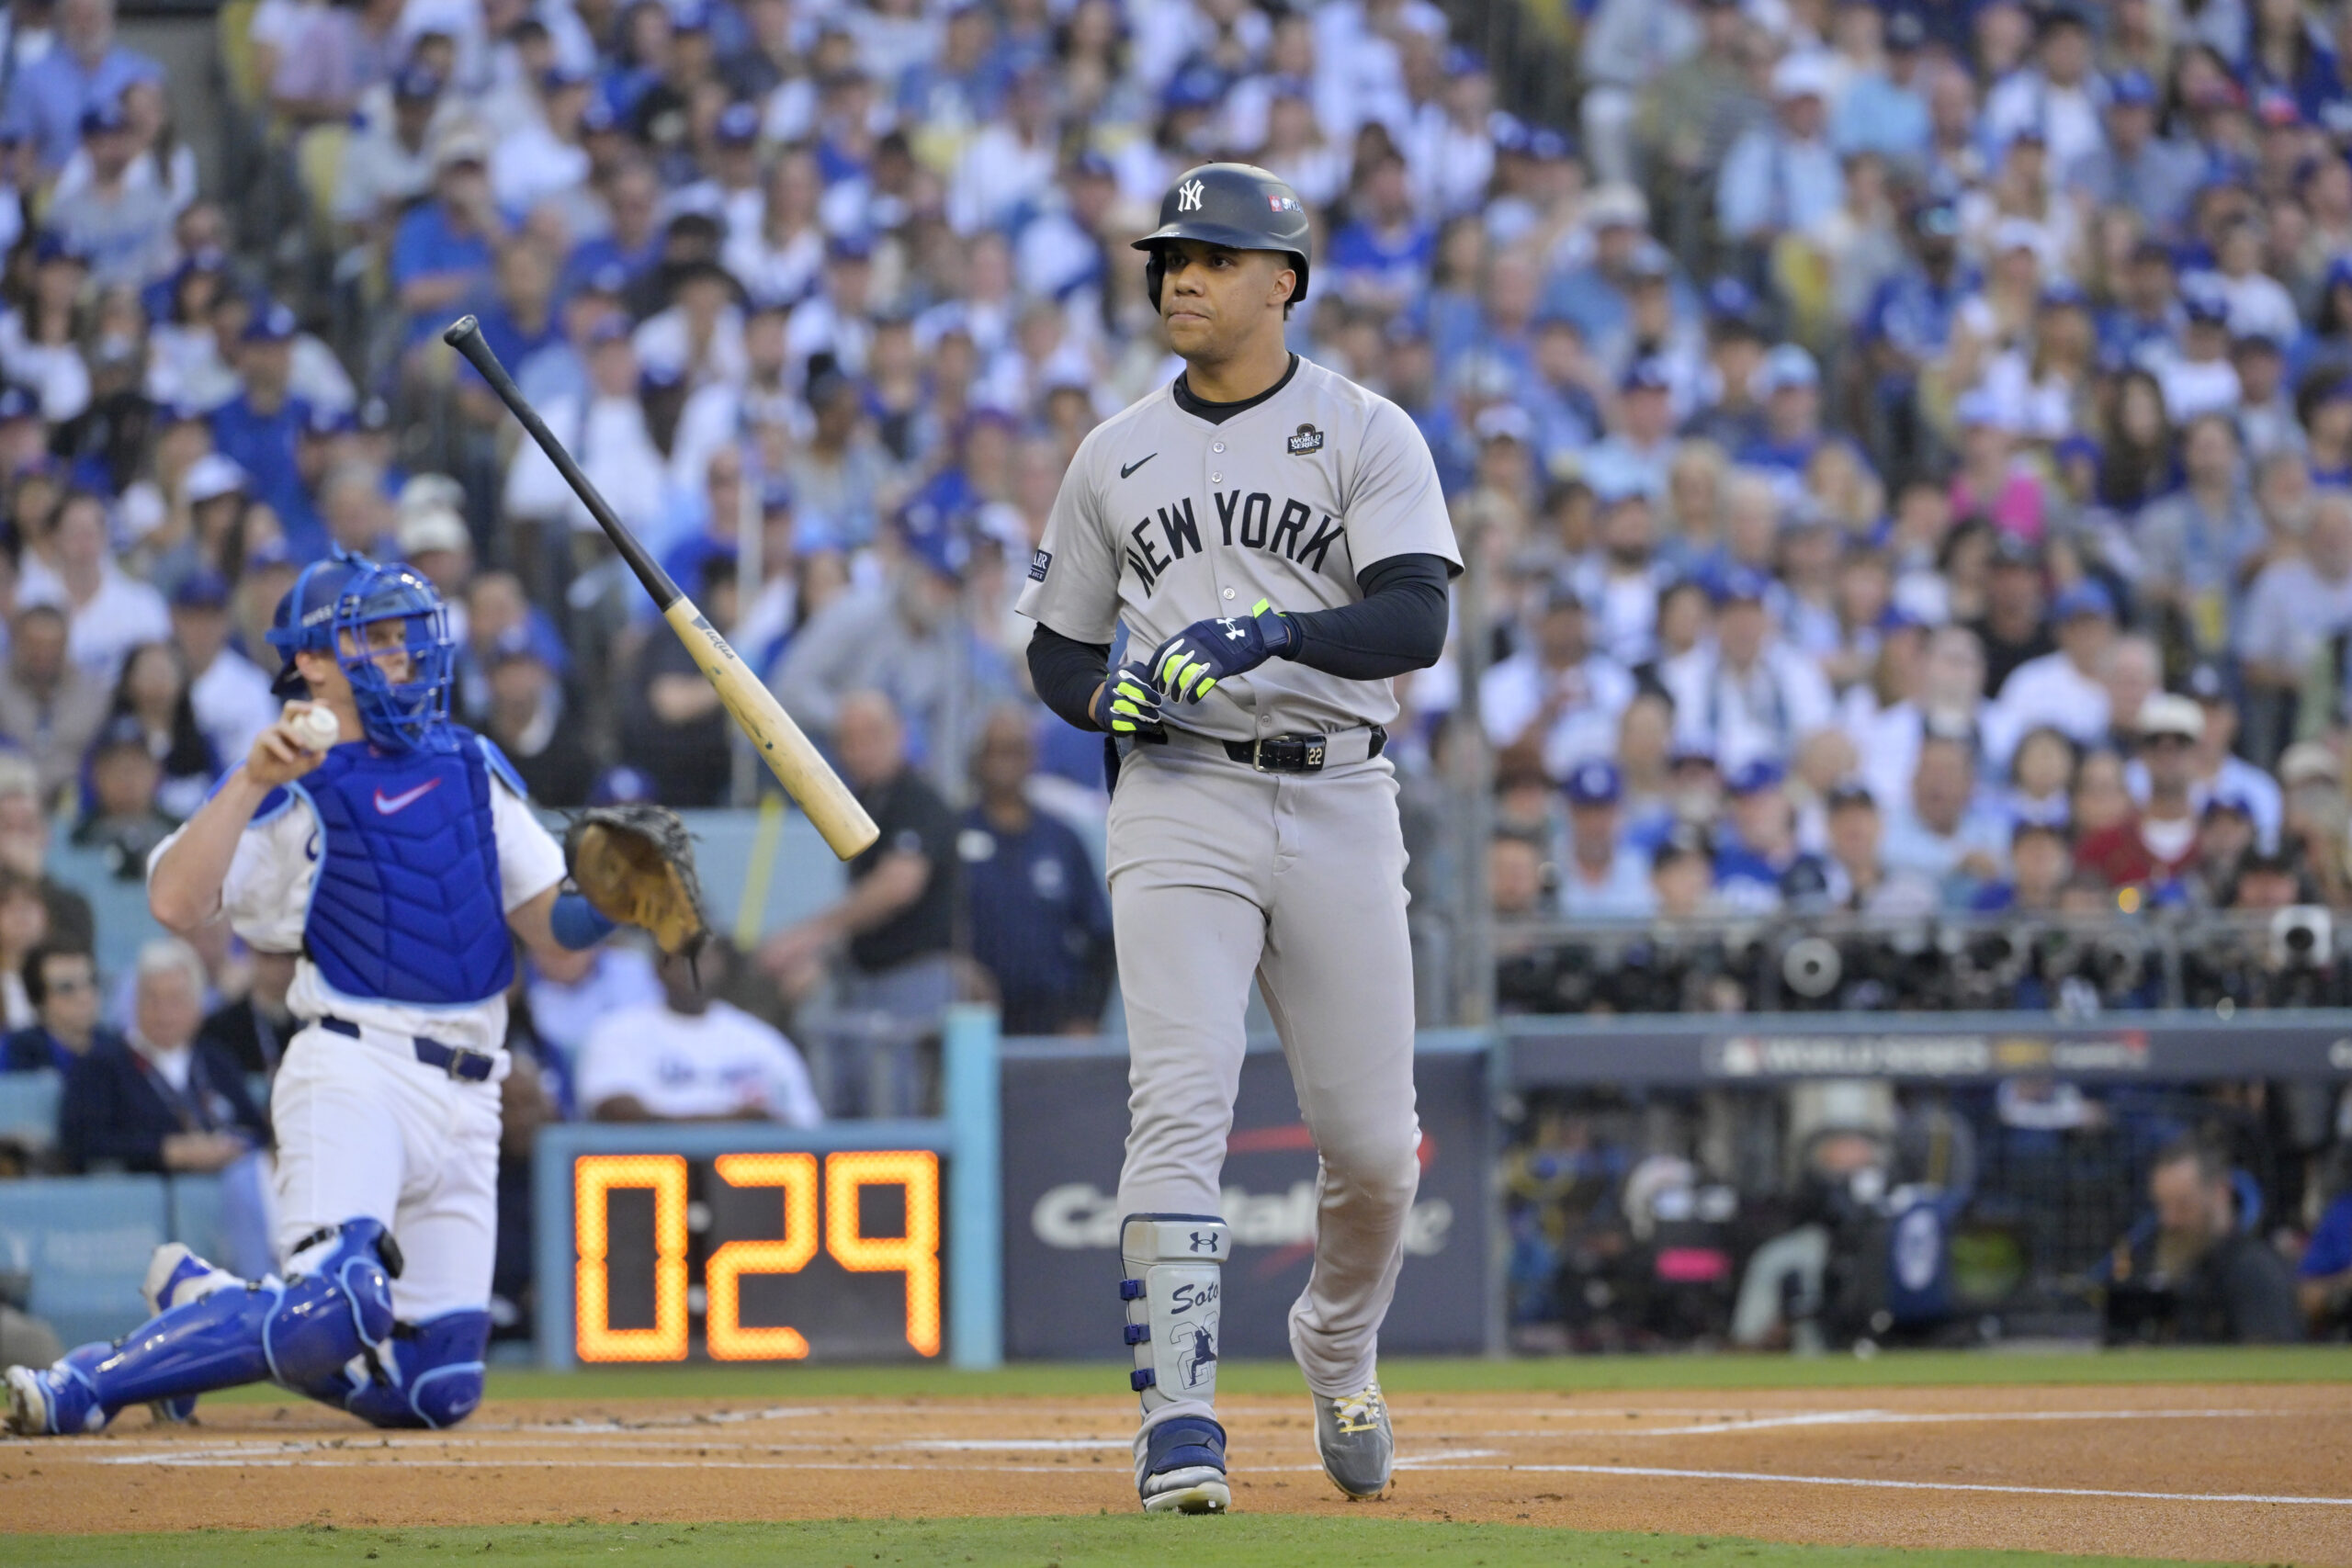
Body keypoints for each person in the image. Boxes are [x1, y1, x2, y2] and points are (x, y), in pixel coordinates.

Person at [1017, 165, 1455, 1512]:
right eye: (1170, 257)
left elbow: (1414, 622)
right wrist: (1107, 693)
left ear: (1285, 281)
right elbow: (1058, 645)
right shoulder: (1115, 448)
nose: (1182, 278)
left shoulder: (1362, 428)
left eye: (1214, 255)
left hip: (1334, 788)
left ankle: (1334, 1336)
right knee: (1181, 1096)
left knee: (1375, 1145)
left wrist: (1273, 628)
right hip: (1178, 794)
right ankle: (1181, 1422)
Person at [5, 551, 670, 1437]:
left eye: (407, 637)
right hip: (358, 1068)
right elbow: (173, 902)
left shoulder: (471, 760)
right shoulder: (293, 774)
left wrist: (619, 898)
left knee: (435, 1388)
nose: (402, 655)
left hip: (472, 1090)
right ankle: (90, 1382)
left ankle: (205, 1303)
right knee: (335, 1307)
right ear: (314, 660)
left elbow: (550, 921)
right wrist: (249, 781)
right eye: (377, 636)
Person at [757, 689, 958, 1117]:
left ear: (901, 736)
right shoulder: (866, 802)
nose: (859, 749)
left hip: (911, 978)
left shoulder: (915, 799)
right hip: (865, 979)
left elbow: (897, 887)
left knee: (897, 1113)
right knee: (856, 1100)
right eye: (847, 739)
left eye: (872, 735)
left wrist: (811, 936)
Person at [956, 709, 1113, 1036]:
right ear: (979, 759)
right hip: (974, 1019)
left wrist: (1087, 1016)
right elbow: (931, 927)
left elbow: (1102, 937)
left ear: (1032, 757)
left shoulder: (1062, 839)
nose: (1006, 762)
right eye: (996, 751)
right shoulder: (953, 834)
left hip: (1054, 1019)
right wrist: (954, 968)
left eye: (1015, 750)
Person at [574, 942, 820, 1124]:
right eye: (681, 957)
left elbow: (801, 1123)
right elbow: (614, 1112)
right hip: (649, 1178)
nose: (692, 968)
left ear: (721, 965)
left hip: (743, 1182)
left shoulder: (760, 1040)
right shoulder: (617, 1031)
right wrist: (731, 1122)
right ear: (658, 966)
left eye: (703, 957)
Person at [2107, 1138, 2302, 1345]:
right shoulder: (2190, 1268)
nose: (2168, 1220)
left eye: (2183, 1205)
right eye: (2162, 1207)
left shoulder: (2253, 1269)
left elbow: (2269, 1360)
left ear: (2220, 1193)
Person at [1557, 760, 1654, 920]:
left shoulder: (1642, 866)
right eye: (1586, 812)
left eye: (1603, 812)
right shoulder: (1550, 864)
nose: (1595, 824)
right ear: (1570, 813)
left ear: (1619, 812)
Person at [0, 942, 116, 1072]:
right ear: (39, 1001)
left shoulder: (118, 1050)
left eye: (91, 981)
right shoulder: (12, 1053)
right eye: (66, 987)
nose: (85, 996)